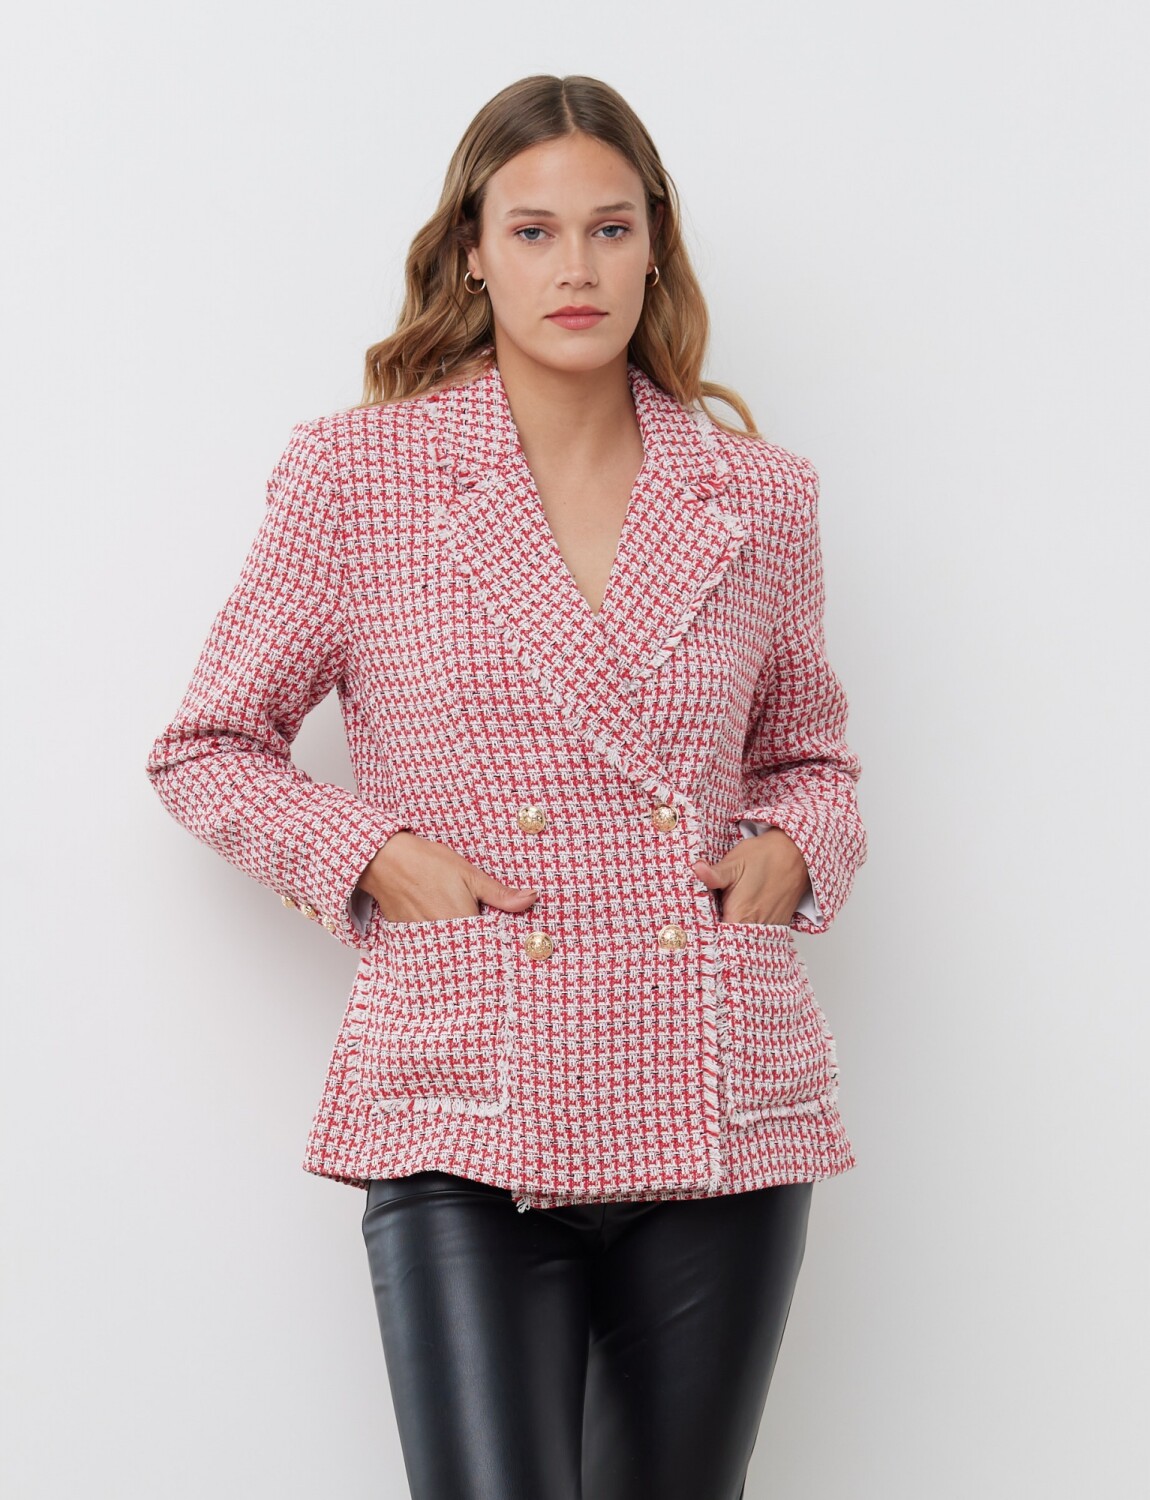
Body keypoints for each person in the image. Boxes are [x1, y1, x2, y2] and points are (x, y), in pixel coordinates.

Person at [147, 73, 867, 1500]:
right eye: (532, 231)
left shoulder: (757, 495)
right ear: (472, 251)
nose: (574, 267)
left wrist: (795, 845)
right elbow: (205, 745)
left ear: (653, 245)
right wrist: (374, 856)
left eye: (609, 228)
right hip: (466, 1094)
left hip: (715, 1091)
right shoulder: (361, 478)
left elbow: (813, 761)